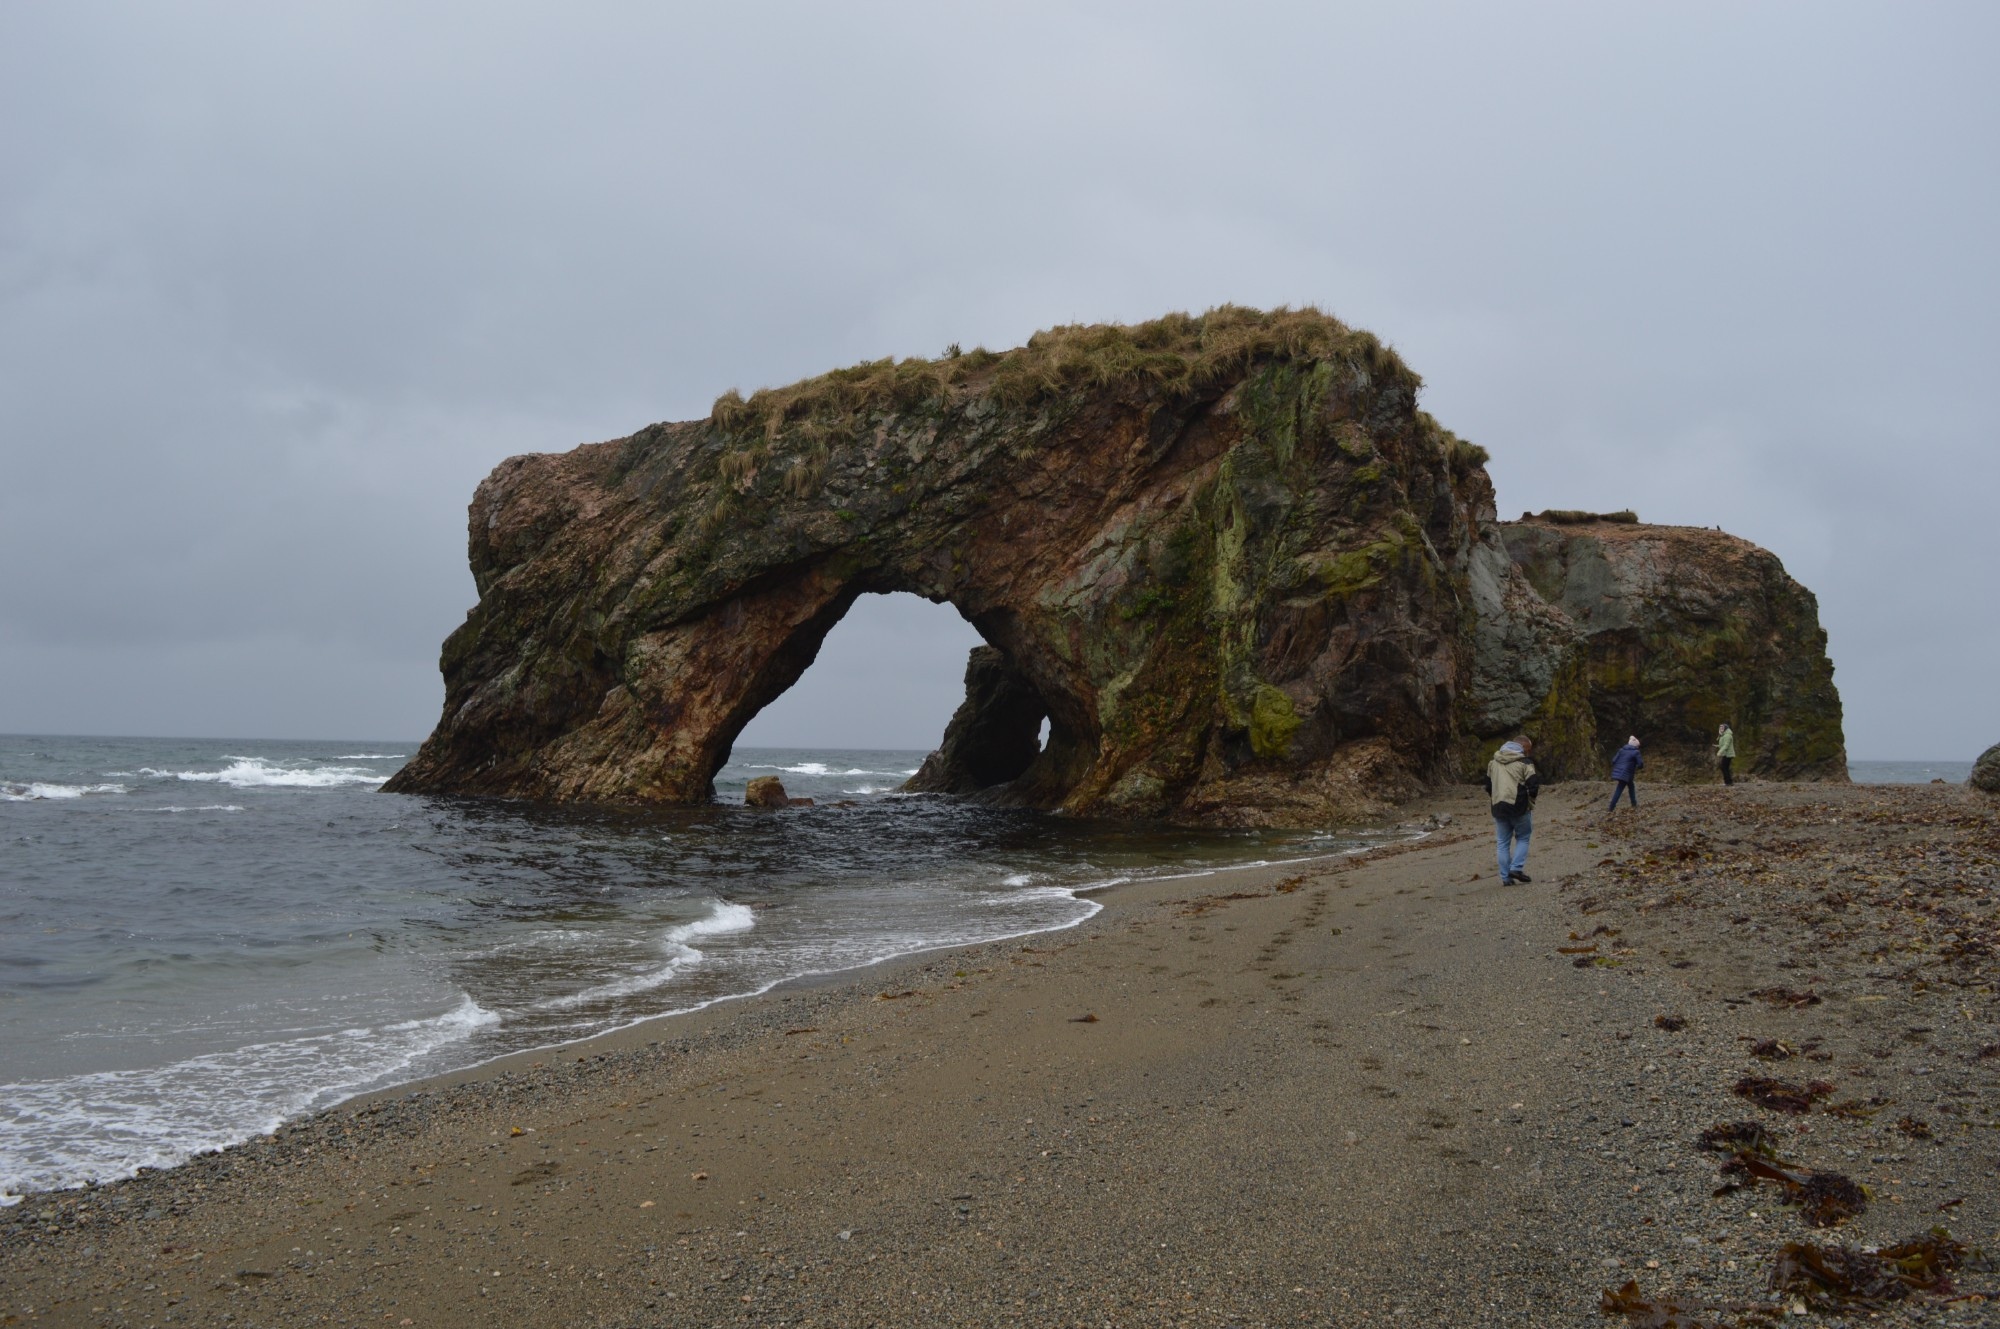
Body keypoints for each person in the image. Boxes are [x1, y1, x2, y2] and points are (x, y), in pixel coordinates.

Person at [1484, 736, 1540, 885]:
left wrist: (1495, 797)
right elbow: (1534, 785)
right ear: (1521, 748)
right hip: (1519, 806)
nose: (1528, 753)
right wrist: (1531, 801)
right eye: (1527, 750)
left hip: (1498, 806)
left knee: (1502, 842)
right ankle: (1516, 868)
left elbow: (1488, 786)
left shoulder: (1493, 762)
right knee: (1523, 837)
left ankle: (1505, 877)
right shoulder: (1525, 762)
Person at [1608, 735, 1643, 810]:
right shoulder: (1636, 752)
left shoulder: (1621, 750)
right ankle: (1611, 807)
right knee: (1620, 788)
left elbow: (1613, 760)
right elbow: (1640, 764)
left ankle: (1634, 803)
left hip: (1623, 773)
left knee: (1631, 786)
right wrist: (1638, 767)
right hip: (1626, 774)